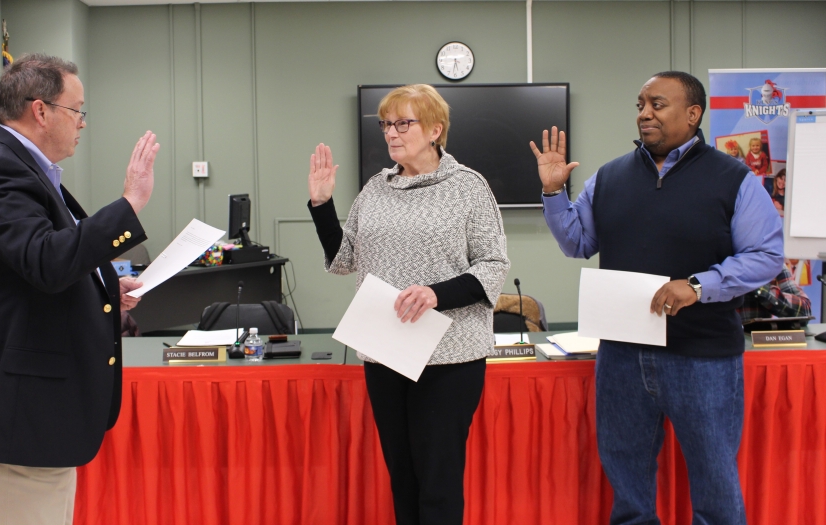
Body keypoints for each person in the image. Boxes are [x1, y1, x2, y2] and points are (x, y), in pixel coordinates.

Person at [530, 71, 783, 525]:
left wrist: (700, 285)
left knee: (716, 491)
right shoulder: (610, 177)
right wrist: (553, 192)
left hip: (703, 359)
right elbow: (576, 242)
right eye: (641, 104)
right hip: (622, 360)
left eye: (658, 104)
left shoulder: (733, 178)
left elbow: (766, 256)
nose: (645, 113)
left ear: (693, 114)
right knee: (629, 495)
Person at [0, 54, 159, 525]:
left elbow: (33, 266)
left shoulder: (20, 167)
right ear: (41, 111)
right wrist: (129, 203)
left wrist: (104, 284)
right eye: (77, 110)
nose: (83, 123)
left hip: (28, 408)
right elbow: (46, 262)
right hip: (24, 410)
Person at [306, 84, 509, 525]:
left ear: (436, 129)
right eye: (385, 124)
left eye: (403, 123)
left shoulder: (468, 187)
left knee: (437, 481)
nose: (391, 133)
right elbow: (344, 261)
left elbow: (493, 265)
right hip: (386, 351)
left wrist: (436, 293)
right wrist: (322, 205)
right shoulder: (376, 189)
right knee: (403, 476)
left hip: (450, 356)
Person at [740, 262, 812, 325]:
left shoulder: (771, 263)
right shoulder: (730, 263)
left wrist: (760, 288)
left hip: (757, 337)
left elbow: (804, 313)